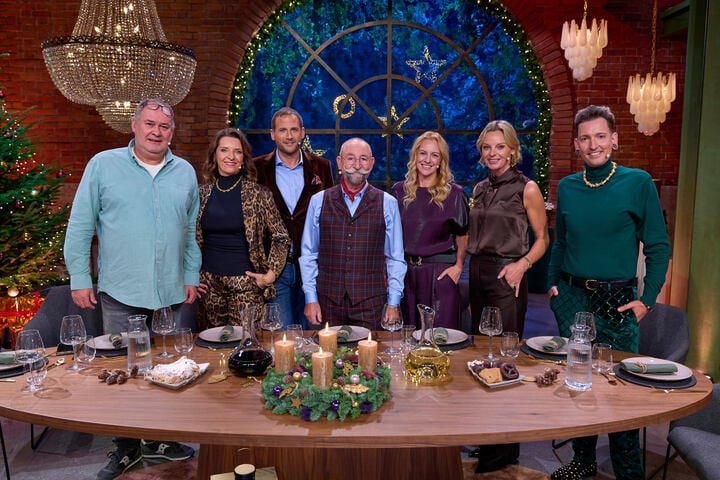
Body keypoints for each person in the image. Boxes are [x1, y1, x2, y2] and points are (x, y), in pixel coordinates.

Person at [64, 99, 200, 480]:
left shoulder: (185, 172)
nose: (157, 132)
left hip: (172, 293)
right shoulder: (102, 165)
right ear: (134, 126)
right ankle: (125, 449)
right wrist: (80, 277)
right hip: (121, 292)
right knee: (123, 372)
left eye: (164, 126)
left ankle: (161, 440)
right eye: (150, 124)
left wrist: (191, 273)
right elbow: (80, 225)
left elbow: (190, 232)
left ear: (172, 132)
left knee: (170, 370)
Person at [547, 105, 671, 480]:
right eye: (585, 138)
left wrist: (647, 300)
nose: (593, 145)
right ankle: (583, 461)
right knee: (578, 384)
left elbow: (658, 246)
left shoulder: (638, 183)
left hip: (618, 301)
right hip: (572, 297)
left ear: (614, 139)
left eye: (601, 136)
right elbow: (560, 242)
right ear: (576, 144)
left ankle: (628, 473)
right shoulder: (568, 187)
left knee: (621, 392)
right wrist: (553, 286)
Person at [465, 120, 549, 473]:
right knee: (481, 356)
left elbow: (543, 239)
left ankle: (504, 449)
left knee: (504, 356)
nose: (493, 153)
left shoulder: (527, 188)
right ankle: (488, 438)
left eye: (500, 146)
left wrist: (522, 265)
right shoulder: (480, 187)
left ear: (513, 151)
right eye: (487, 147)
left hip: (507, 275)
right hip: (478, 273)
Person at [299, 137, 407, 330]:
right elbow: (308, 254)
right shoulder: (318, 201)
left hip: (371, 304)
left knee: (372, 351)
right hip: (327, 303)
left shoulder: (388, 203)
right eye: (350, 158)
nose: (357, 165)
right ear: (340, 162)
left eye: (363, 159)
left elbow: (395, 258)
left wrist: (393, 302)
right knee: (325, 350)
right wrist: (310, 298)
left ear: (371, 164)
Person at [196, 127, 290, 329]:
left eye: (237, 151)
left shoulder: (258, 194)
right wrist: (192, 276)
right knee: (212, 343)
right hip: (209, 286)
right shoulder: (201, 194)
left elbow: (281, 237)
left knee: (246, 344)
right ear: (215, 155)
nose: (231, 156)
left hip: (246, 286)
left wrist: (270, 275)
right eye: (224, 150)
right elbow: (190, 238)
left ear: (243, 158)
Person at [254, 107, 334, 330]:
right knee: (282, 336)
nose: (289, 136)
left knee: (315, 334)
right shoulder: (256, 168)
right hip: (275, 268)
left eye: (294, 130)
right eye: (282, 130)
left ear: (302, 133)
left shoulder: (322, 167)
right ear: (272, 134)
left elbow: (331, 215)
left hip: (314, 265)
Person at [390, 131, 469, 328]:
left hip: (439, 275)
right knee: (408, 337)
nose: (427, 160)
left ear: (441, 161)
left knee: (440, 338)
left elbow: (463, 234)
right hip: (406, 275)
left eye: (434, 155)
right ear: (415, 156)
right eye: (423, 153)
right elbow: (389, 237)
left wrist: (459, 266)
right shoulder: (398, 191)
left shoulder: (454, 194)